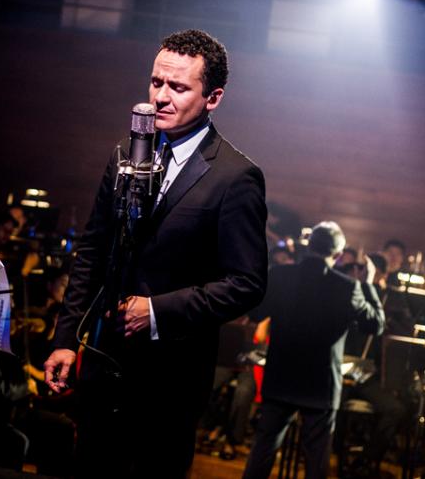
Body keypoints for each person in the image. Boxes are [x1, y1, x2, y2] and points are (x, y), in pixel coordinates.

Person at [44, 29, 269, 478]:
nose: (160, 97)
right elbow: (92, 249)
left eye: (178, 87)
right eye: (155, 83)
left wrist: (160, 311)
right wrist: (66, 339)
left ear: (213, 97)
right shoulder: (125, 152)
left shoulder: (236, 176)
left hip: (172, 379)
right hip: (105, 365)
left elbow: (247, 284)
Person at [243, 221, 385, 479]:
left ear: (309, 246)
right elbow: (376, 325)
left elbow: (255, 313)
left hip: (280, 377)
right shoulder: (348, 287)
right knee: (315, 461)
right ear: (338, 255)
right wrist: (369, 284)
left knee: (263, 450)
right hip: (320, 385)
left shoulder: (279, 275)